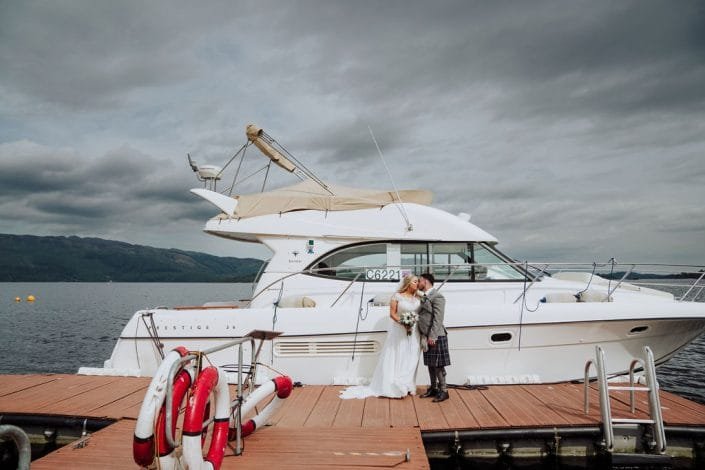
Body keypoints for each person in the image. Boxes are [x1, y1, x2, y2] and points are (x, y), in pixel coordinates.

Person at [340, 274, 422, 399]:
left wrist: (412, 323)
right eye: (415, 282)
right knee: (398, 355)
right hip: (399, 329)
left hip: (414, 331)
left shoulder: (418, 298)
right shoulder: (397, 296)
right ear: (408, 283)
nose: (418, 284)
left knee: (412, 356)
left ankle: (409, 384)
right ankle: (397, 385)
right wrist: (403, 322)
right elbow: (392, 314)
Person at [417, 273, 451, 402]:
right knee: (430, 364)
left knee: (438, 365)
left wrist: (433, 336)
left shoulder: (438, 296)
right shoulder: (424, 296)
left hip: (436, 336)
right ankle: (433, 388)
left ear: (425, 281)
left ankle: (444, 390)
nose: (418, 283)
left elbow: (438, 318)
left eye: (419, 281)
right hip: (426, 335)